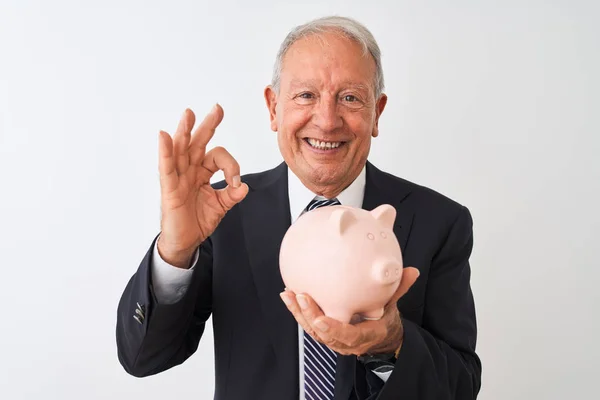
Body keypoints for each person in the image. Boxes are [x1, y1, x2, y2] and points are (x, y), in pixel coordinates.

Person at [116, 16, 482, 400]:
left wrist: (391, 343)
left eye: (350, 98)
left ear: (378, 112)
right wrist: (175, 251)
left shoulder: (440, 221)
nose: (326, 121)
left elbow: (460, 386)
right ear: (273, 108)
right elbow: (143, 359)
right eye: (306, 95)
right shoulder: (222, 213)